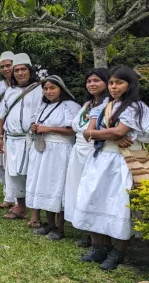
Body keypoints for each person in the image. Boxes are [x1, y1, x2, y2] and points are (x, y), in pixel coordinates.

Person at [75, 66, 149, 271]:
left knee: (118, 204)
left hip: (121, 161)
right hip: (100, 158)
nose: (114, 87)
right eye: (112, 83)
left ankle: (118, 252)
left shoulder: (135, 107)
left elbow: (119, 130)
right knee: (93, 198)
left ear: (130, 84)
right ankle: (98, 247)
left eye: (119, 83)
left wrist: (106, 133)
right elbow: (86, 133)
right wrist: (112, 134)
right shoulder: (102, 106)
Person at [25, 75, 80, 239]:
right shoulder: (43, 106)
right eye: (46, 88)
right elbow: (34, 122)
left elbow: (73, 130)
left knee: (57, 186)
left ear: (61, 89)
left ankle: (59, 227)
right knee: (43, 185)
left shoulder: (70, 106)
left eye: (52, 88)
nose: (48, 91)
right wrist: (34, 127)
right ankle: (49, 224)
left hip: (59, 151)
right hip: (42, 150)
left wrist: (49, 129)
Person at [64, 68, 109, 247]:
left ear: (106, 82)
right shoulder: (88, 104)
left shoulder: (108, 104)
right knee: (79, 191)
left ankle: (102, 239)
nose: (92, 84)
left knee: (94, 193)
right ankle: (88, 233)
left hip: (96, 151)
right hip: (79, 151)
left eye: (96, 80)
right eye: (89, 81)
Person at [0, 53, 43, 220]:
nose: (20, 73)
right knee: (14, 174)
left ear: (30, 70)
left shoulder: (40, 89)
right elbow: (1, 115)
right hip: (13, 138)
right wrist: (0, 137)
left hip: (31, 138)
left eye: (23, 69)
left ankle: (35, 212)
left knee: (32, 174)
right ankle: (20, 207)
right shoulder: (10, 91)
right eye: (17, 70)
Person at [0, 51, 16, 209]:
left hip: (20, 132)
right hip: (2, 130)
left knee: (17, 165)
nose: (6, 69)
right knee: (1, 163)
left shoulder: (28, 86)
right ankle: (8, 195)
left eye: (9, 65)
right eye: (3, 66)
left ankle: (20, 196)